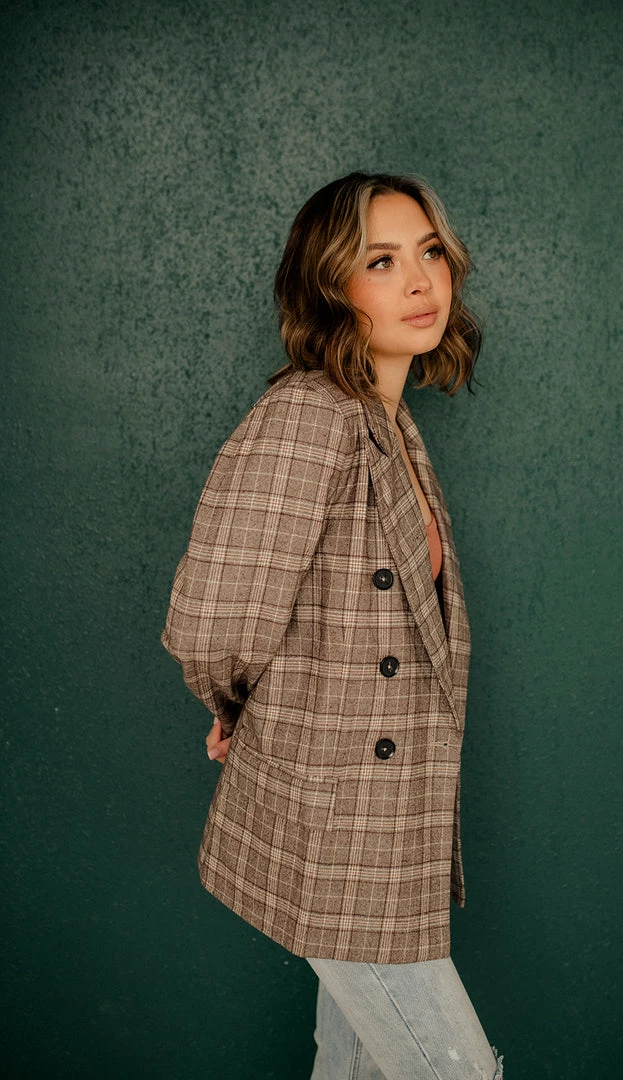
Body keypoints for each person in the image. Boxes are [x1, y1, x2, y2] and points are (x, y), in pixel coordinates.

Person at [162, 172, 503, 1079]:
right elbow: (212, 615)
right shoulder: (309, 417)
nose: (420, 281)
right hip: (338, 821)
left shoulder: (389, 426)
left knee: (352, 1066)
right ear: (330, 286)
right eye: (380, 261)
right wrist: (234, 707)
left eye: (429, 253)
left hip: (384, 822)